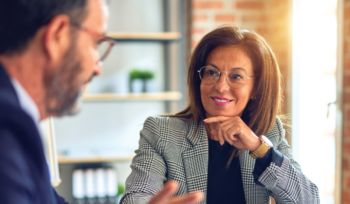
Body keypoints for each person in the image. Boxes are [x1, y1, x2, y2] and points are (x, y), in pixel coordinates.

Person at [0, 0, 203, 204]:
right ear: (57, 35)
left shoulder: (19, 119)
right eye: (95, 43)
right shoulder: (8, 128)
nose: (98, 68)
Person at [121, 26, 320, 204]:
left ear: (255, 89)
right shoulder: (160, 132)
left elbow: (309, 200)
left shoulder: (268, 132)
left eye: (236, 76)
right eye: (211, 72)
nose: (221, 86)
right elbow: (136, 196)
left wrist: (258, 148)